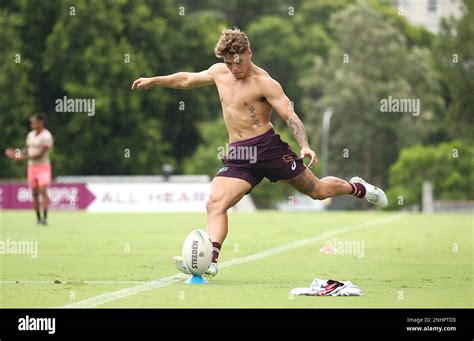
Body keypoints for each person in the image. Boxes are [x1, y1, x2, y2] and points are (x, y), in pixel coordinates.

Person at [131, 28, 387, 277]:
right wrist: (155, 80)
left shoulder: (265, 83)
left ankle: (357, 187)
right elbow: (186, 79)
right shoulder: (220, 73)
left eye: (237, 62)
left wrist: (305, 145)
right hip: (239, 155)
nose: (234, 68)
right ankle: (211, 261)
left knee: (319, 191)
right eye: (228, 63)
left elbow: (290, 115)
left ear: (249, 53)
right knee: (215, 203)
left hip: (268, 150)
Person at [5, 113, 54, 225]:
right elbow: (25, 149)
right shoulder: (30, 135)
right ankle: (38, 219)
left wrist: (23, 157)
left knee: (43, 190)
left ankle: (45, 218)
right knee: (35, 193)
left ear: (41, 122)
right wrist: (16, 154)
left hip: (43, 167)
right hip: (32, 167)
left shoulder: (46, 136)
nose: (32, 123)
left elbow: (40, 155)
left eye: (34, 121)